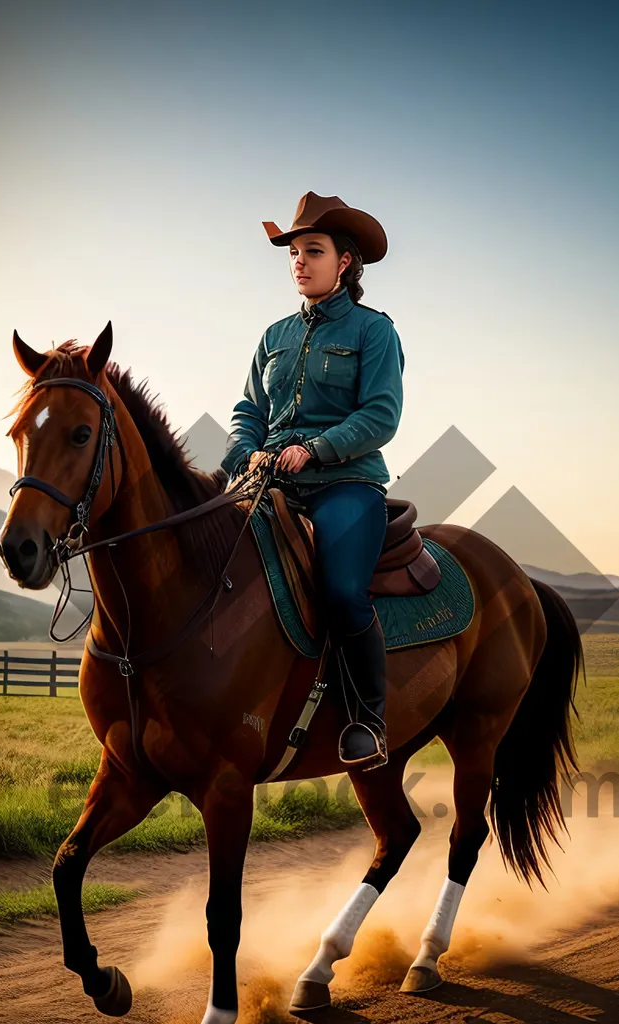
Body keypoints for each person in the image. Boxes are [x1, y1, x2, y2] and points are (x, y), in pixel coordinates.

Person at [221, 191, 404, 770]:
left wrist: (316, 450)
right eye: (294, 252)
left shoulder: (375, 332)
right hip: (266, 482)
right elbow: (248, 409)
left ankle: (364, 720)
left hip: (345, 485)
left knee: (343, 591)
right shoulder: (273, 336)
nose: (299, 261)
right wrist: (245, 451)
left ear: (344, 262)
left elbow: (381, 415)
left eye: (313, 251)